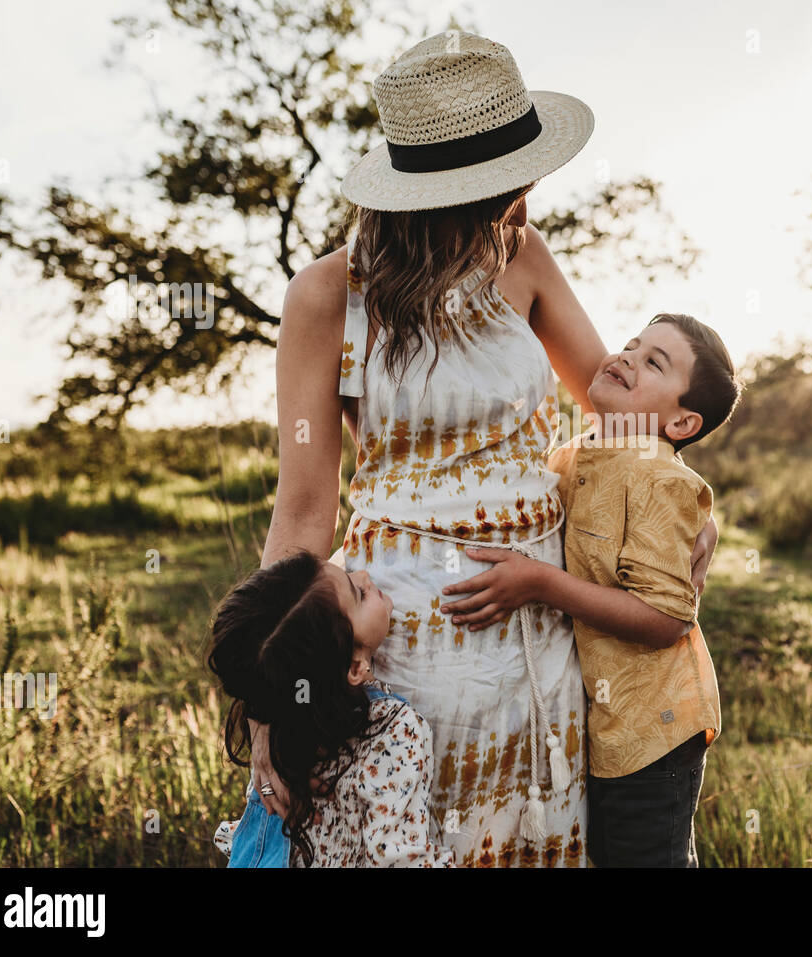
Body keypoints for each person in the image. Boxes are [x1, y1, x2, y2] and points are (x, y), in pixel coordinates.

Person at [250, 31, 721, 867]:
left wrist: (682, 499)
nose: (531, 195)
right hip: (406, 632)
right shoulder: (326, 294)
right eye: (510, 179)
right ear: (436, 187)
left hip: (542, 621)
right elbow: (304, 509)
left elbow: (620, 411)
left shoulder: (523, 254)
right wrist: (269, 697)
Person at [440, 313, 743, 866]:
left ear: (681, 424)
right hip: (600, 723)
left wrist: (540, 583)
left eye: (654, 362)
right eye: (631, 344)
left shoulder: (662, 480)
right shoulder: (576, 453)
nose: (627, 356)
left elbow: (665, 620)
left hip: (655, 731)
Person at [208, 550, 454, 867]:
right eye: (360, 594)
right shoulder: (397, 731)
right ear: (354, 667)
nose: (364, 575)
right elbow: (398, 858)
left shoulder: (281, 722)